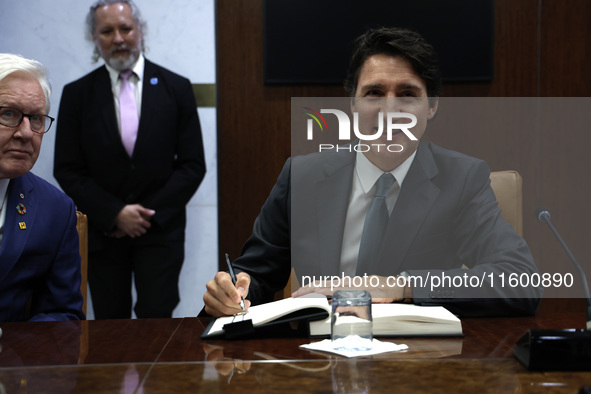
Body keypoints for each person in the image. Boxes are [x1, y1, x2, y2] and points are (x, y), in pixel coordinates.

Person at [204, 27, 542, 318]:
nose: (390, 109)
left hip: (423, 363)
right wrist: (234, 291)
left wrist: (403, 285)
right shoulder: (302, 176)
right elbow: (257, 275)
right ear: (352, 103)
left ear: (432, 106)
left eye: (408, 95)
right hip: (317, 361)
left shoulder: (462, 178)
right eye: (374, 93)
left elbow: (519, 279)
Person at [54, 0, 206, 319]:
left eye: (126, 28)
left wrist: (145, 215)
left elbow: (192, 165)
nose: (119, 38)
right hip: (103, 234)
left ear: (140, 31)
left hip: (161, 232)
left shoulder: (176, 88)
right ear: (94, 38)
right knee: (110, 327)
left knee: (157, 322)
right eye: (107, 31)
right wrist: (115, 213)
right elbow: (67, 169)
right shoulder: (76, 94)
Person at [0, 53, 84, 322]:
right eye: (8, 114)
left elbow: (62, 314)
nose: (26, 133)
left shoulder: (55, 209)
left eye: (36, 118)